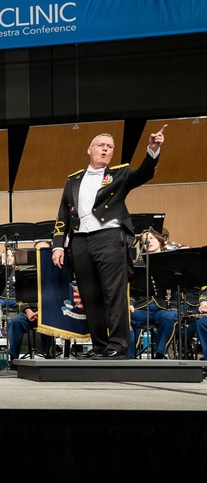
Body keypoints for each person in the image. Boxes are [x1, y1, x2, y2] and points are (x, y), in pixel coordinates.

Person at [52, 126, 165, 359]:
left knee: (114, 293)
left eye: (110, 147)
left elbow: (143, 173)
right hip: (80, 241)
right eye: (101, 145)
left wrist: (153, 149)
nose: (105, 149)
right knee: (89, 295)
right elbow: (63, 215)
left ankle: (118, 344)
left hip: (110, 238)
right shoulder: (73, 180)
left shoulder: (120, 175)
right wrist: (57, 244)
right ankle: (100, 345)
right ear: (89, 149)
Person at [128, 229, 178, 359]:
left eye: (151, 238)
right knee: (126, 317)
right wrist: (130, 304)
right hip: (142, 307)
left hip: (164, 307)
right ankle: (130, 358)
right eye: (145, 240)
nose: (148, 242)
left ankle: (160, 354)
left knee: (169, 317)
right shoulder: (137, 264)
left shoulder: (171, 262)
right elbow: (131, 289)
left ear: (160, 240)